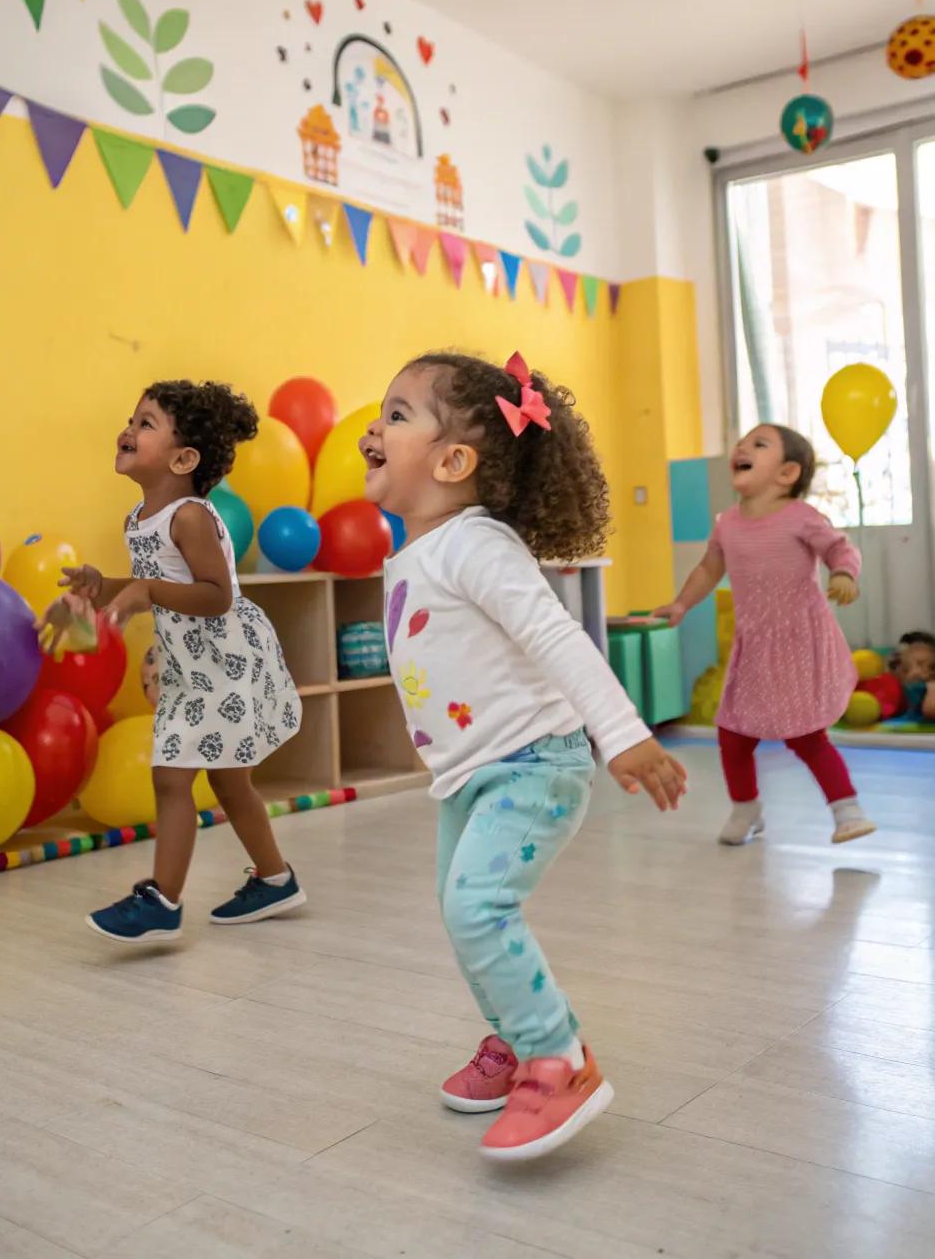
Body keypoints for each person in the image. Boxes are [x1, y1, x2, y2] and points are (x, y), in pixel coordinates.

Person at [359, 350, 686, 1164]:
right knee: (460, 912)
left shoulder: (476, 545)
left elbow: (556, 636)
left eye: (397, 415)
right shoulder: (417, 554)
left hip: (534, 765)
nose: (373, 426)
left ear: (454, 460)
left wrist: (625, 732)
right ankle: (511, 1042)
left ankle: (558, 1058)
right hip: (472, 774)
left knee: (478, 910)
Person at [41, 380, 306, 942]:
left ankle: (163, 900)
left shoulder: (190, 517)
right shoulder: (139, 519)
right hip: (192, 668)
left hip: (224, 663)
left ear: (184, 458)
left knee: (170, 777)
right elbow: (146, 584)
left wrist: (147, 593)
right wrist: (100, 587)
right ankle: (277, 878)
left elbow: (217, 594)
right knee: (231, 784)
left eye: (145, 424)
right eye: (131, 419)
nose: (127, 430)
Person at [655, 422, 876, 847]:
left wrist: (845, 573)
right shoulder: (727, 524)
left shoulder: (801, 517)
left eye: (759, 444)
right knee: (733, 734)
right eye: (742, 442)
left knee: (805, 734)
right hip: (754, 646)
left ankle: (847, 809)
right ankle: (745, 807)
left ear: (787, 474)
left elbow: (839, 547)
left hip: (798, 642)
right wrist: (682, 603)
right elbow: (708, 568)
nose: (742, 447)